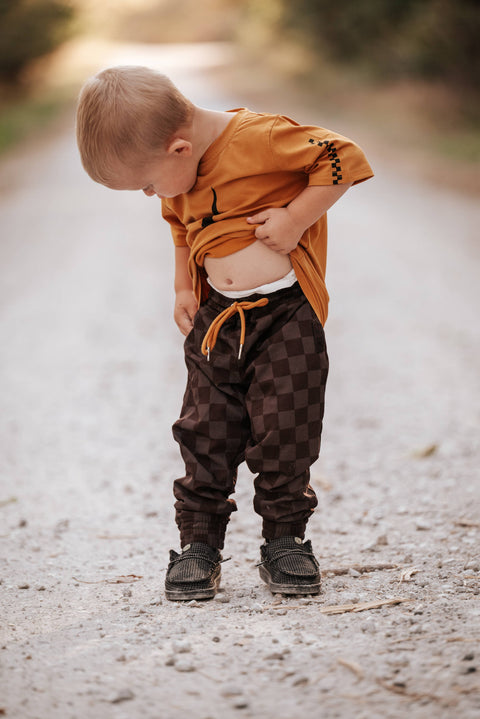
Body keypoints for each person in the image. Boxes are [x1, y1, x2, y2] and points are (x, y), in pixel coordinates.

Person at [76, 65, 373, 601]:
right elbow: (178, 222)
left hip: (286, 316)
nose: (148, 194)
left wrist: (297, 218)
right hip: (217, 319)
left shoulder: (260, 138)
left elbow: (343, 157)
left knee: (287, 426)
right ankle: (198, 545)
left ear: (179, 148)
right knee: (205, 430)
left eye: (145, 182)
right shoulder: (179, 173)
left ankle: (285, 540)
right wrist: (183, 286)